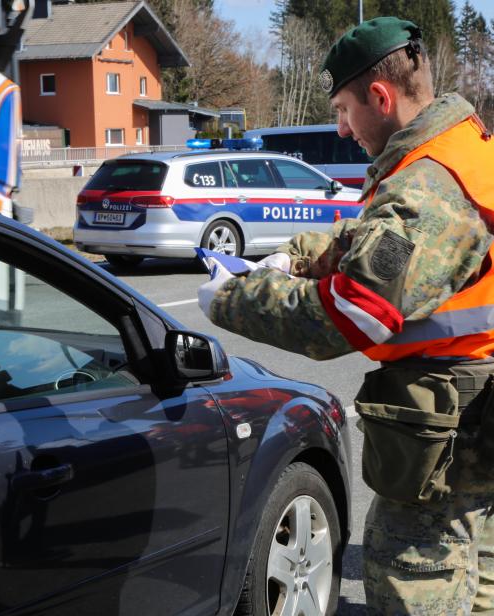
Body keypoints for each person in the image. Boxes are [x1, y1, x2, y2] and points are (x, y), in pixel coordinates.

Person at [198, 16, 494, 614]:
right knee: (478, 575)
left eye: (343, 108)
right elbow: (376, 239)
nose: (341, 126)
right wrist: (303, 253)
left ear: (381, 97)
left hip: (450, 435)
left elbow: (355, 315)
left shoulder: (429, 187)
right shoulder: (460, 146)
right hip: (473, 424)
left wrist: (229, 300)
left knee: (416, 582)